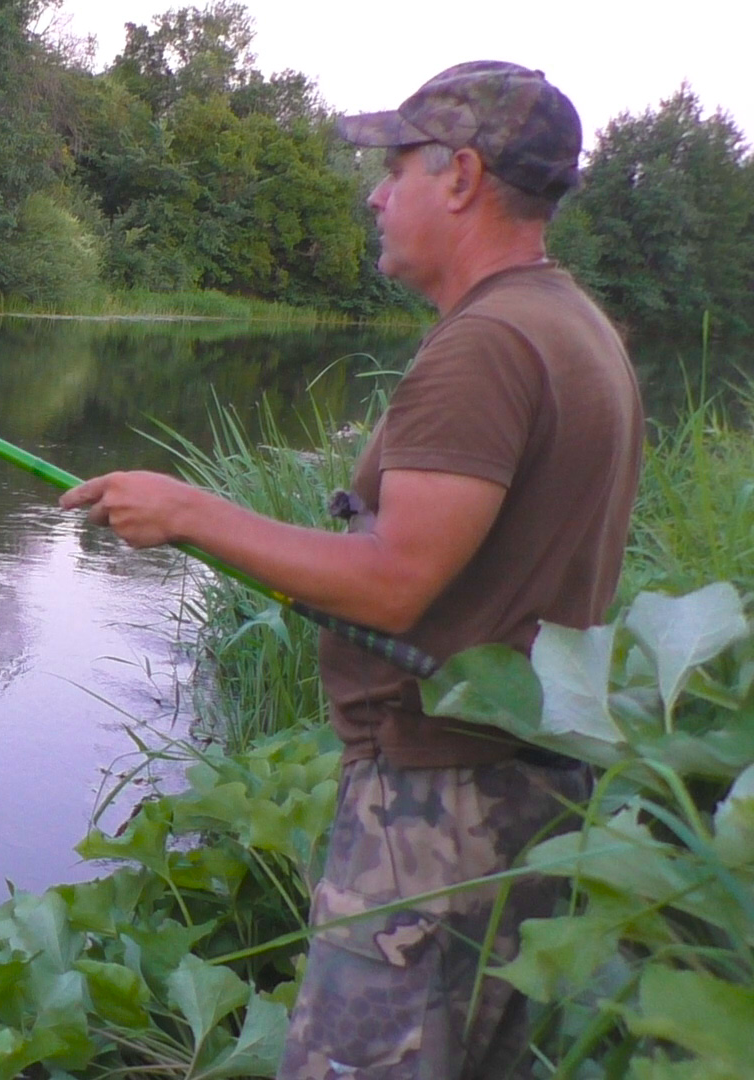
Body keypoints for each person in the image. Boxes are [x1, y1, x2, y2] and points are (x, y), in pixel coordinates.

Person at [60, 62, 643, 1080]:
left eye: (394, 168)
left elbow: (391, 581)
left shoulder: (487, 345)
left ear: (461, 177)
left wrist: (189, 510)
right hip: (519, 787)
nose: (376, 195)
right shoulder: (572, 325)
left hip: (442, 806)